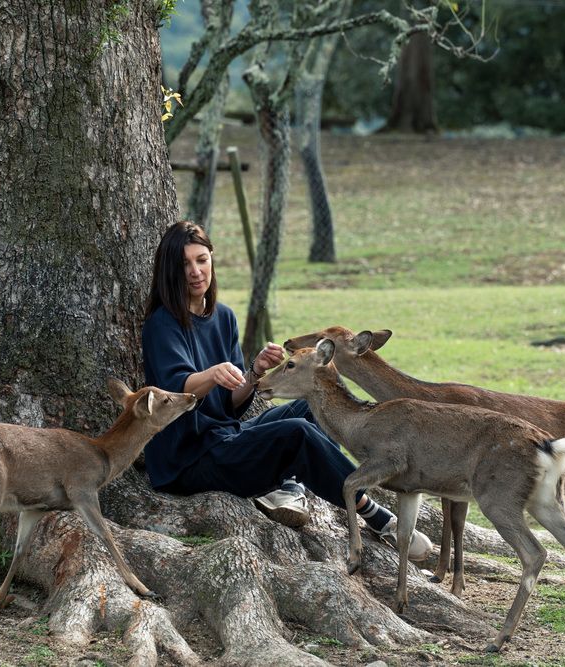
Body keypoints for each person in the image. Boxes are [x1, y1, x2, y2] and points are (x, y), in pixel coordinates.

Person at [141, 221, 431, 556]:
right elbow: (178, 391)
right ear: (170, 271)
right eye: (185, 264)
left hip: (225, 436)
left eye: (201, 260)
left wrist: (254, 371)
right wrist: (212, 373)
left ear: (212, 261)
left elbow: (229, 406)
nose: (195, 271)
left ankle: (286, 484)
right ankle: (376, 515)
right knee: (296, 434)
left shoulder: (223, 318)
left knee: (314, 405)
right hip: (188, 460)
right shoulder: (161, 325)